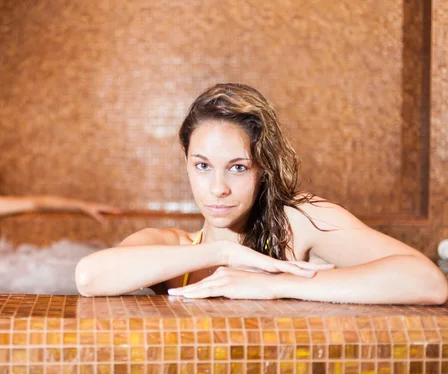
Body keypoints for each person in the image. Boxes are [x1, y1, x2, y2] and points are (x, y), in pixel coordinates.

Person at [75, 83, 448, 304]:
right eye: (202, 166)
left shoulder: (298, 222)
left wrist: (275, 285)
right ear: (187, 164)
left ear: (263, 168)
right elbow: (89, 277)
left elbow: (427, 282)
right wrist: (222, 251)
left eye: (238, 167)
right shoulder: (175, 247)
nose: (218, 188)